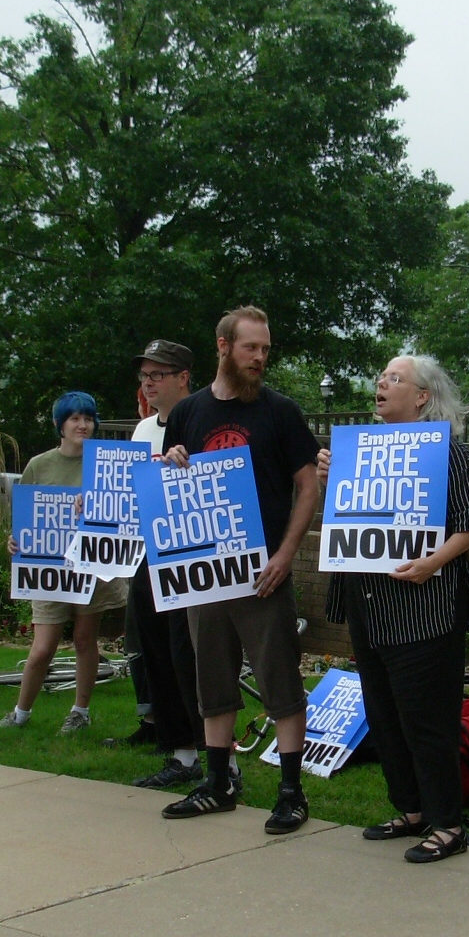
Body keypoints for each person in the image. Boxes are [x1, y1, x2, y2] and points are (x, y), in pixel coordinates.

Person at [317, 355, 469, 863]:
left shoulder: (451, 457)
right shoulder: (361, 452)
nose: (381, 383)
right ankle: (411, 810)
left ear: (422, 397)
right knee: (384, 715)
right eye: (381, 377)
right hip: (367, 605)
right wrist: (334, 478)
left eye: (395, 378)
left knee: (427, 718)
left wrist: (432, 562)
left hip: (424, 607)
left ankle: (447, 824)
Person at [157, 307, 320, 834]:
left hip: (262, 571)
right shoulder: (188, 413)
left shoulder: (281, 412)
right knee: (213, 679)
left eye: (266, 350)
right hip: (204, 570)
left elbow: (308, 485)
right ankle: (217, 783)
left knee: (279, 680)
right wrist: (170, 461)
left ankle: (291, 793)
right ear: (223, 346)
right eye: (252, 348)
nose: (261, 359)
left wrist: (286, 554)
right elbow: (167, 485)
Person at [0, 391, 130, 734]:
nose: (83, 425)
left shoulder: (106, 464)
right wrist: (14, 541)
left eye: (88, 418)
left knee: (86, 640)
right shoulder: (39, 465)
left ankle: (79, 712)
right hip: (49, 568)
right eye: (74, 419)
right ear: (60, 425)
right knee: (42, 648)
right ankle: (20, 713)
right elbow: (25, 516)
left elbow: (125, 511)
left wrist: (99, 507)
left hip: (92, 565)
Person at [125, 341, 220, 791]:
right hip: (148, 552)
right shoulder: (143, 429)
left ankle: (218, 756)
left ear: (184, 376)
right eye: (145, 374)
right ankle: (180, 754)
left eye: (158, 374)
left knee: (193, 655)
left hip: (192, 552)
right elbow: (128, 492)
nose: (149, 381)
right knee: (157, 652)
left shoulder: (206, 419)